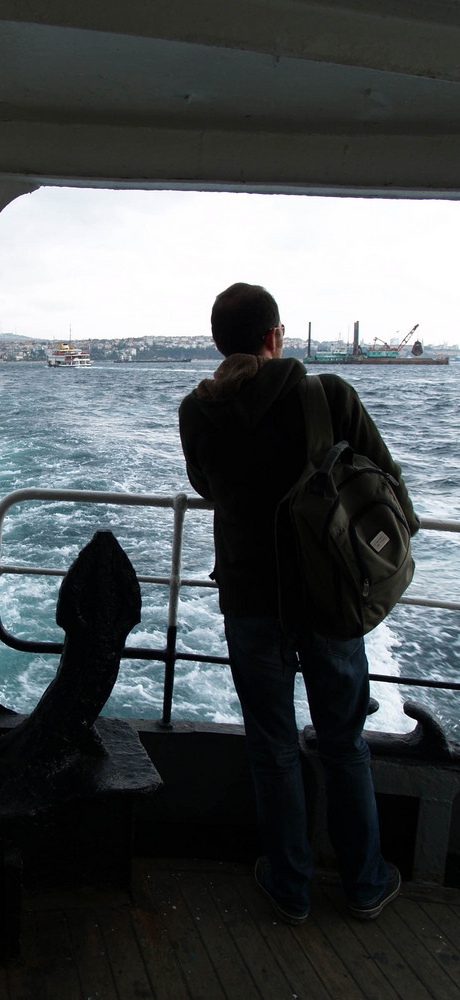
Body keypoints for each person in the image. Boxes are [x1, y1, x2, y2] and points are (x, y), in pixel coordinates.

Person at [178, 282, 419, 925]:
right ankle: (365, 883)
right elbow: (387, 484)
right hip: (330, 601)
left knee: (273, 746)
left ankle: (290, 886)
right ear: (274, 337)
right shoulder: (328, 396)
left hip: (250, 601)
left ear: (219, 343)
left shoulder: (196, 411)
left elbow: (205, 485)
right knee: (343, 742)